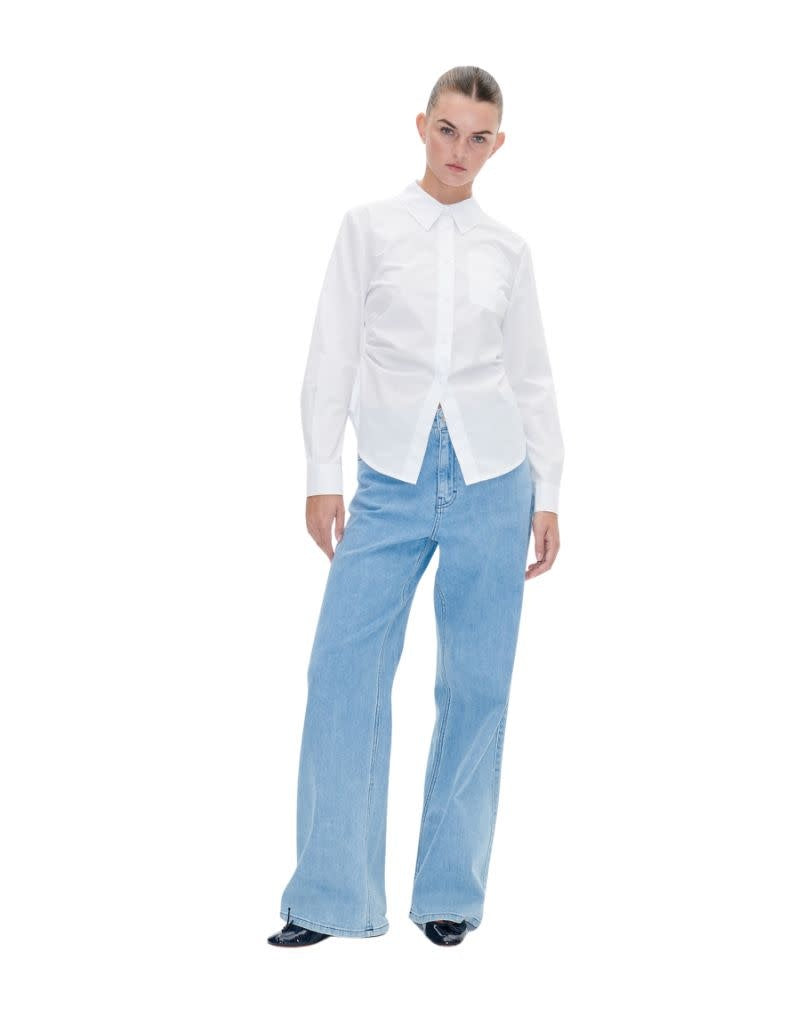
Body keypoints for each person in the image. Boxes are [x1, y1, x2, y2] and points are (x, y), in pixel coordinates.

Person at [268, 65, 564, 949]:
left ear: (497, 146)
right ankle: (329, 895)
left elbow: (531, 375)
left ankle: (448, 894)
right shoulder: (368, 228)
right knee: (342, 673)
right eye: (447, 129)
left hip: (494, 479)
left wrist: (549, 490)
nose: (459, 149)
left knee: (476, 685)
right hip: (390, 480)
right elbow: (332, 351)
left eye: (478, 137)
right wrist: (321, 471)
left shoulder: (508, 250)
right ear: (422, 125)